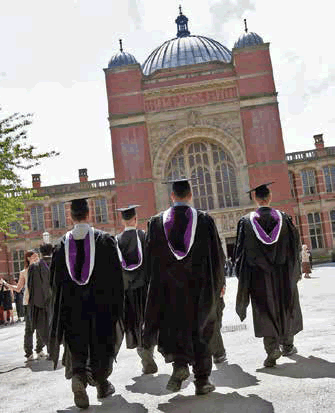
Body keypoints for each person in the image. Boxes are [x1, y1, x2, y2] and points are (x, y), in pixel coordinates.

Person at [143, 178, 225, 395]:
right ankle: (202, 380)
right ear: (190, 195)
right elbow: (217, 257)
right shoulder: (205, 220)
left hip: (169, 291)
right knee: (201, 329)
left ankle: (180, 365)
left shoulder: (156, 223)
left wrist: (152, 293)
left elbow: (150, 263)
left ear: (172, 196)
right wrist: (220, 284)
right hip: (200, 289)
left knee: (174, 327)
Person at [49, 197, 124, 409]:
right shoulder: (105, 241)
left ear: (70, 217)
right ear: (89, 214)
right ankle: (101, 383)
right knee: (101, 344)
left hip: (72, 309)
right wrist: (117, 307)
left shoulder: (61, 246)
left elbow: (55, 285)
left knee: (77, 344)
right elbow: (117, 280)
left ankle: (79, 378)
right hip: (101, 307)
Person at [234, 182, 303, 368]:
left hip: (259, 277)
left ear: (255, 198)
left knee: (264, 309)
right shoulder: (284, 219)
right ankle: (288, 345)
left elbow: (240, 254)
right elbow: (295, 248)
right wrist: (293, 272)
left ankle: (272, 348)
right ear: (270, 197)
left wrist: (243, 278)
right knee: (285, 304)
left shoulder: (246, 222)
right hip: (282, 274)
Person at [115, 205, 157, 374]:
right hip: (146, 288)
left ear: (122, 220)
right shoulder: (144, 237)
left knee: (133, 322)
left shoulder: (116, 241)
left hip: (127, 291)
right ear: (135, 219)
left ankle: (142, 351)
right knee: (148, 320)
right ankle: (148, 351)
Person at [2, 251, 41, 360]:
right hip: (28, 302)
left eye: (37, 256)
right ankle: (29, 353)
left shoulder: (41, 269)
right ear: (28, 258)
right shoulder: (24, 272)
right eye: (34, 257)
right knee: (29, 328)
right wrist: (6, 285)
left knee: (41, 327)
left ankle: (40, 349)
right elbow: (18, 289)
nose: (36, 258)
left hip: (40, 302)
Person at [27, 243, 53, 358]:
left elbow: (30, 287)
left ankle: (50, 350)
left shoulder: (33, 267)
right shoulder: (60, 264)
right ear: (51, 251)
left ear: (41, 253)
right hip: (57, 303)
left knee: (43, 328)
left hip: (40, 303)